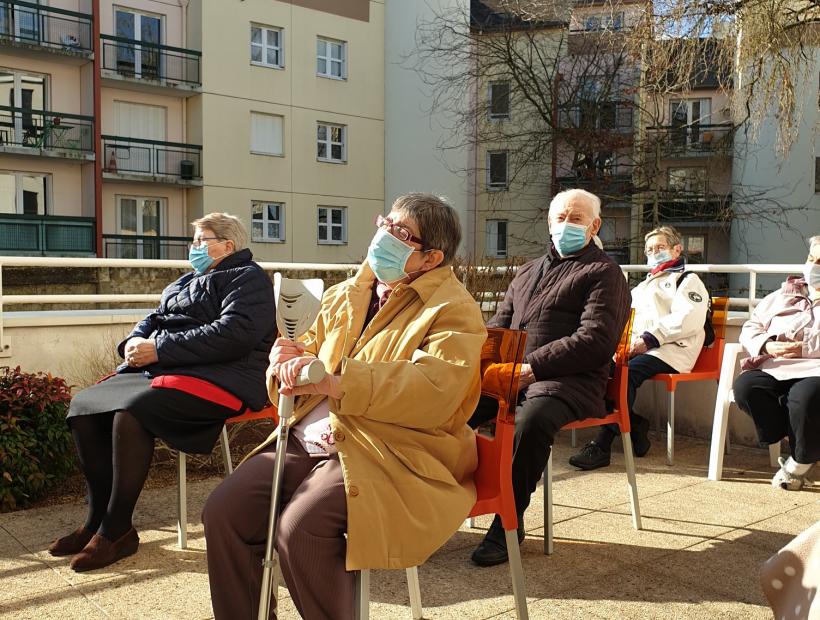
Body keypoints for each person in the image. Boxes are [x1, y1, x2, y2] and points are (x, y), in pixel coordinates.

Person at [202, 193, 487, 620]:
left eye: (401, 233)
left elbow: (433, 389)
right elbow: (308, 354)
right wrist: (283, 364)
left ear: (431, 258)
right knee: (224, 512)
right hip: (311, 435)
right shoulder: (347, 293)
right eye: (385, 223)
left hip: (391, 448)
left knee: (300, 530)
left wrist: (339, 382)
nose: (384, 236)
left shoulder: (453, 309)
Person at [48, 213, 276, 571]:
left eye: (202, 240)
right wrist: (135, 341)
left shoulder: (249, 279)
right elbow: (154, 318)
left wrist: (161, 349)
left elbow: (234, 334)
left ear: (227, 245)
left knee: (134, 411)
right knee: (84, 406)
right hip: (171, 367)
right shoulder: (187, 280)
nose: (194, 247)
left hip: (223, 375)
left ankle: (116, 530)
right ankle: (95, 521)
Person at [468, 188, 631, 567]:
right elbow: (500, 325)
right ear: (549, 222)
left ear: (595, 225)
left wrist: (532, 369)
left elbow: (595, 340)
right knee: (454, 406)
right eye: (560, 218)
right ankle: (446, 500)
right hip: (513, 376)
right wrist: (480, 362)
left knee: (532, 420)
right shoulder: (527, 271)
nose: (566, 226)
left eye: (576, 219)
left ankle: (508, 519)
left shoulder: (604, 272)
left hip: (569, 382)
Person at [569, 225, 709, 470]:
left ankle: (602, 445)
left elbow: (688, 318)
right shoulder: (643, 286)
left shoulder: (688, 280)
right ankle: (634, 424)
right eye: (650, 249)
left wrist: (648, 339)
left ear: (677, 249)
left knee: (626, 374)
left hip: (670, 350)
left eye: (660, 247)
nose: (654, 253)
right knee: (597, 369)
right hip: (639, 349)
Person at [732, 235, 820, 490]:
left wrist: (804, 347)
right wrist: (766, 344)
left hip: (815, 368)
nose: (813, 266)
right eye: (810, 258)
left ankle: (798, 464)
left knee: (805, 399)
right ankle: (799, 439)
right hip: (775, 364)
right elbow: (751, 326)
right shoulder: (781, 295)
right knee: (746, 389)